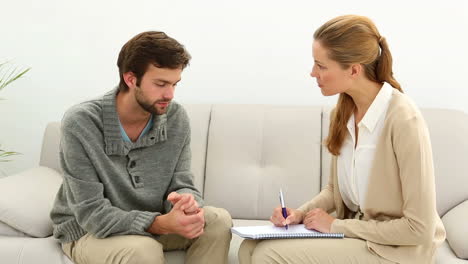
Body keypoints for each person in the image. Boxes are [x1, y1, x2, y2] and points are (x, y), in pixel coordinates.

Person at [239, 15, 445, 264]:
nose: (312, 73)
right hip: (360, 235)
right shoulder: (342, 112)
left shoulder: (403, 119)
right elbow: (336, 190)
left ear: (354, 69)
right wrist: (299, 214)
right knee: (249, 247)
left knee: (267, 255)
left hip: (399, 249)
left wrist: (336, 225)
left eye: (321, 66)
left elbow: (419, 228)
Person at [50, 31, 232, 264]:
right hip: (90, 231)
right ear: (130, 79)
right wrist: (158, 223)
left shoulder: (176, 118)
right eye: (160, 84)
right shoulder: (82, 122)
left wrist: (185, 202)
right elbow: (91, 213)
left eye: (175, 84)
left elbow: (182, 182)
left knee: (218, 220)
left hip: (155, 223)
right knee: (142, 249)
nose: (170, 94)